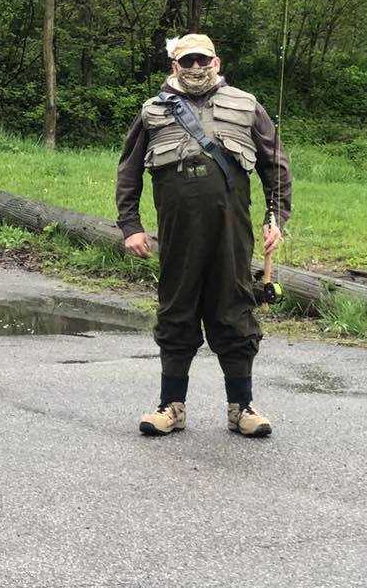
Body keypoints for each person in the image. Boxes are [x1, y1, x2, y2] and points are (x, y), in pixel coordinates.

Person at [117, 34, 291, 438]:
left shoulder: (247, 105)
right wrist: (131, 226)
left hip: (231, 231)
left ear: (217, 61)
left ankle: (242, 408)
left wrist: (275, 217)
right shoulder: (153, 110)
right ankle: (170, 407)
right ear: (175, 65)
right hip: (177, 232)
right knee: (176, 310)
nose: (196, 68)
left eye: (203, 60)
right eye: (187, 60)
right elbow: (128, 171)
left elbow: (275, 166)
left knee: (234, 310)